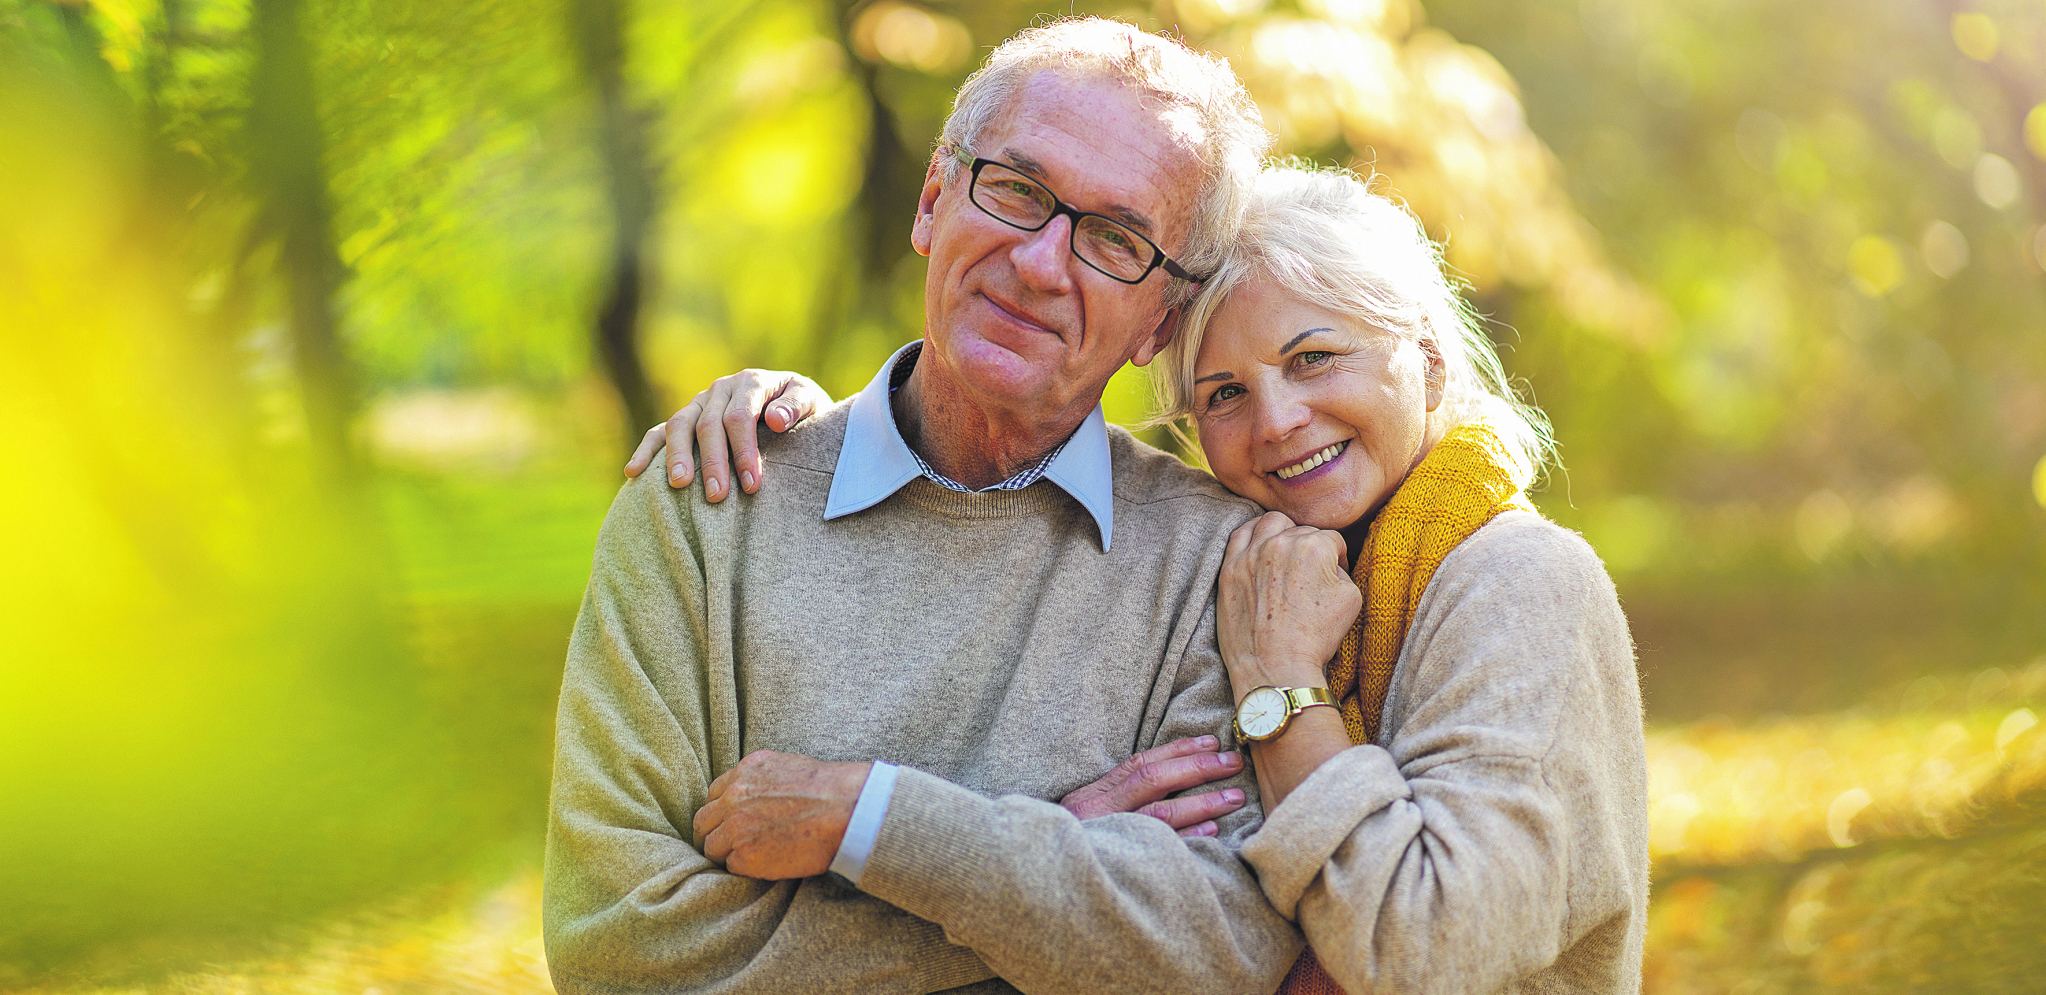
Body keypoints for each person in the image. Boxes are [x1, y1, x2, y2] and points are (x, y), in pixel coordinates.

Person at [644, 166, 1650, 994]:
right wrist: (804, 426)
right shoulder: (1259, 566)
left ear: (1428, 361)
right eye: (1225, 393)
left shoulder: (1514, 580)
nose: (1278, 420)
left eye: (1315, 357)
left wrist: (1282, 686)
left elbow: (1427, 950)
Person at [546, 17, 1305, 995]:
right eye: (1018, 191)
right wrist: (1051, 857)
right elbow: (614, 945)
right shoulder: (707, 504)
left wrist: (873, 822)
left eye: (1116, 239)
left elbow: (1223, 941)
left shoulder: (1221, 567)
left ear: (1160, 319)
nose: (1039, 264)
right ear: (933, 199)